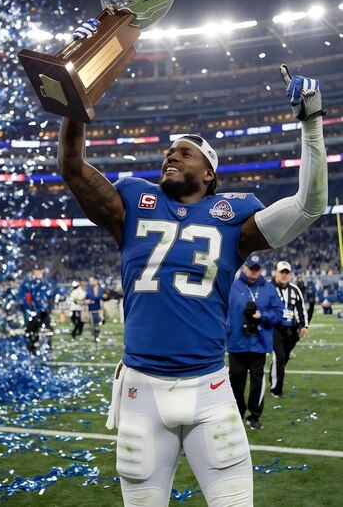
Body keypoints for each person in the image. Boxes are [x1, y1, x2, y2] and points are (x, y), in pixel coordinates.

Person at [58, 41, 327, 507]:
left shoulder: (231, 219)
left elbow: (309, 205)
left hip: (210, 389)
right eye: (168, 151)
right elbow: (73, 167)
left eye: (184, 153)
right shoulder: (134, 204)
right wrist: (74, 103)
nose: (171, 156)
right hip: (142, 391)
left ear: (209, 175)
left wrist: (312, 126)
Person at [226, 255, 283, 430]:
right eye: (251, 268)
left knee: (257, 382)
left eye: (257, 269)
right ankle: (238, 411)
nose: (254, 272)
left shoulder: (268, 288)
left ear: (261, 270)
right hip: (237, 343)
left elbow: (279, 312)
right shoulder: (232, 286)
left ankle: (254, 415)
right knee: (235, 380)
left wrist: (262, 316)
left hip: (259, 343)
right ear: (244, 268)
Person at [269, 261, 309, 398]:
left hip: (290, 330)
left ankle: (273, 379)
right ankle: (276, 389)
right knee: (279, 357)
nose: (284, 275)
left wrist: (304, 326)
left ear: (290, 274)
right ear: (276, 272)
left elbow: (301, 308)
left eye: (287, 272)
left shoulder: (295, 289)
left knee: (283, 358)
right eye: (282, 272)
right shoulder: (268, 288)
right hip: (274, 328)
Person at [19, 265, 56, 354]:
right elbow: (27, 298)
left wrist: (49, 308)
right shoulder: (31, 284)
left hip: (44, 312)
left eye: (40, 271)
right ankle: (32, 348)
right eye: (37, 271)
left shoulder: (47, 284)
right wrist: (30, 309)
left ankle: (47, 348)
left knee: (47, 330)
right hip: (35, 312)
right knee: (31, 330)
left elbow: (51, 297)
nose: (39, 272)